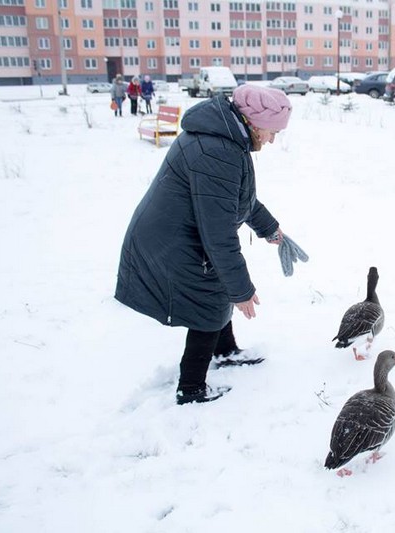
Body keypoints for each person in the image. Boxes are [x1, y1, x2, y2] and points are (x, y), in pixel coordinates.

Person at [114, 85, 293, 405]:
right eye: (271, 132)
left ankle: (224, 352)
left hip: (184, 232)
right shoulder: (218, 150)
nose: (272, 140)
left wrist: (271, 228)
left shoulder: (229, 138)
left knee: (215, 291)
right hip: (170, 239)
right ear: (254, 122)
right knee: (208, 304)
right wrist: (241, 289)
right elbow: (219, 233)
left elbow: (238, 198)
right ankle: (192, 388)